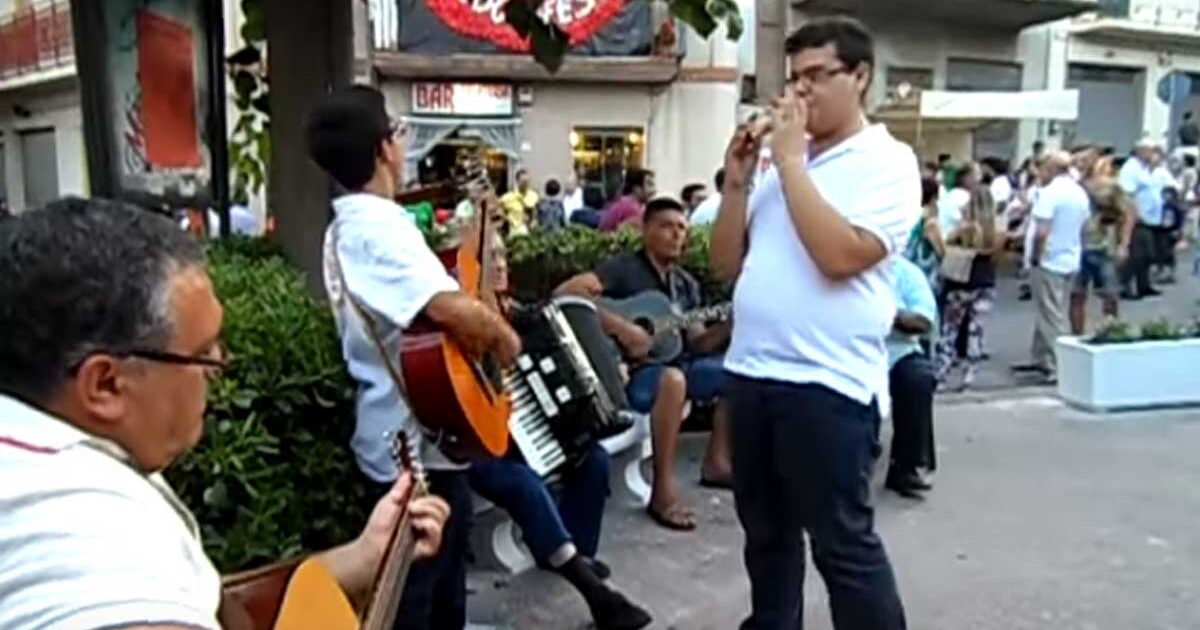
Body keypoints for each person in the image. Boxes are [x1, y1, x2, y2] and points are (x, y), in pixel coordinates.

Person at [0, 197, 449, 630]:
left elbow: (209, 600)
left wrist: (365, 557)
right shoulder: (85, 535)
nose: (220, 367)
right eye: (201, 354)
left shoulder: (53, 448)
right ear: (106, 384)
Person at [710, 16, 914, 628]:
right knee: (766, 541)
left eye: (817, 77)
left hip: (826, 385)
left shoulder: (888, 162)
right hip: (751, 375)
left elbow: (841, 257)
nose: (801, 93)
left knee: (842, 547)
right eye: (793, 79)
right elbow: (726, 266)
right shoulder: (779, 172)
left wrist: (791, 164)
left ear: (860, 77)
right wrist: (740, 183)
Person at [307, 86, 521, 630]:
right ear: (384, 149)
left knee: (442, 593)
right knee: (419, 607)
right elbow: (451, 309)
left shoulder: (366, 225)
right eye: (397, 133)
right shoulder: (373, 230)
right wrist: (504, 340)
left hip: (428, 437)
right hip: (410, 453)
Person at [469, 239, 652, 630]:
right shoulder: (466, 323)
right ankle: (594, 592)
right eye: (490, 257)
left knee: (594, 459)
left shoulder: (522, 314)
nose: (500, 265)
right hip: (485, 447)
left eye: (503, 256)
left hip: (534, 435)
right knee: (523, 483)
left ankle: (576, 553)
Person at [559, 196, 732, 530]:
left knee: (737, 370)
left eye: (681, 228)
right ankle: (663, 492)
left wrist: (729, 324)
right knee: (673, 381)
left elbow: (697, 342)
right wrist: (622, 328)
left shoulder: (684, 284)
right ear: (646, 230)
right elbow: (567, 293)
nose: (676, 234)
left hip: (673, 362)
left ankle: (718, 462)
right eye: (666, 226)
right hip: (630, 370)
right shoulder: (624, 268)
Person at [1013, 151, 1091, 383]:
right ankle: (1040, 358)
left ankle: (1059, 365)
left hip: (1049, 260)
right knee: (1049, 309)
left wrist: (1036, 257)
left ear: (1053, 169)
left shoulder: (1050, 194)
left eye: (1044, 168)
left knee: (1051, 315)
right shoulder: (1079, 192)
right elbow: (1085, 226)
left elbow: (1041, 232)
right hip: (1070, 257)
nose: (1040, 173)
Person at [935, 187, 999, 392]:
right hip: (985, 283)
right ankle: (969, 375)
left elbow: (946, 247)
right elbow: (997, 257)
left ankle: (942, 374)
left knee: (950, 330)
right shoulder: (997, 229)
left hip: (959, 283)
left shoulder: (965, 228)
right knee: (976, 331)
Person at [885, 256, 938, 500]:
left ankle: (908, 466)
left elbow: (923, 320)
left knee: (918, 379)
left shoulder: (905, 272)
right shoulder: (834, 264)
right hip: (844, 353)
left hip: (895, 351)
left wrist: (887, 313)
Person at [1070, 151, 1136, 334]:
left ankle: (1111, 332)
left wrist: (1124, 244)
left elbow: (1129, 214)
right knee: (1076, 295)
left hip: (1104, 245)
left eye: (1084, 160)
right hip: (1077, 246)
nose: (1079, 164)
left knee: (1110, 294)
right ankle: (1077, 335)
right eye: (1077, 161)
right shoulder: (1074, 186)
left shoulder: (1110, 187)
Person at [1117, 138, 1165, 300]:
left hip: (1150, 219)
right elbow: (1127, 194)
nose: (1153, 154)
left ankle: (1144, 284)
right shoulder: (1131, 169)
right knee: (1135, 254)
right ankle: (1126, 286)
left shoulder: (1145, 169)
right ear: (1141, 151)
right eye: (1151, 151)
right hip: (1137, 218)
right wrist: (1134, 214)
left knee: (1147, 254)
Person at [905, 175, 945, 292]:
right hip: (924, 275)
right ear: (933, 198)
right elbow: (941, 252)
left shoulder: (909, 213)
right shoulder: (929, 221)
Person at [501, 168, 540, 235]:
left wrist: (533, 221)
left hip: (529, 233)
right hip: (514, 233)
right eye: (523, 181)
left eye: (528, 181)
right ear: (517, 181)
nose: (526, 184)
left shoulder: (534, 196)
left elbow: (536, 213)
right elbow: (499, 212)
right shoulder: (508, 197)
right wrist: (508, 220)